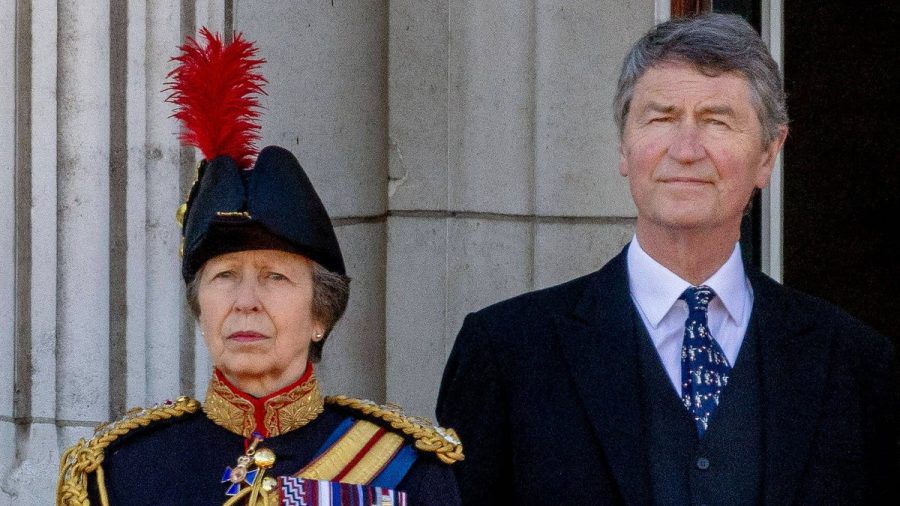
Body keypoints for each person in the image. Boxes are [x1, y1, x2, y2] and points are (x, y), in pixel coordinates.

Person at [437, 13, 898, 505]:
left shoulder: (854, 363)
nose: (685, 150)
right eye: (660, 118)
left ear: (768, 154)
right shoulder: (506, 353)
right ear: (623, 146)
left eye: (716, 121)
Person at [57, 29, 462, 506]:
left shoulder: (406, 470)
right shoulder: (121, 470)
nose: (245, 302)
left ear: (320, 315)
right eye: (224, 276)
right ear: (200, 305)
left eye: (275, 277)